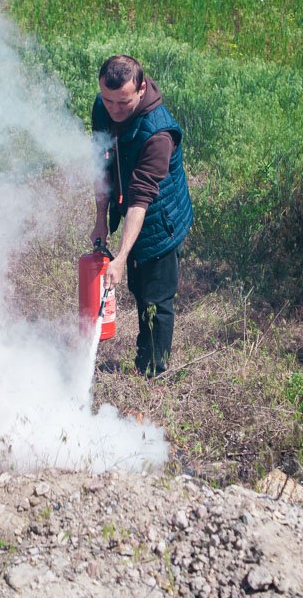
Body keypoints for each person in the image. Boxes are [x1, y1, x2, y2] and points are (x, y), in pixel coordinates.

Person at [90, 55, 193, 377]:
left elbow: (141, 199)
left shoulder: (159, 134)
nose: (114, 110)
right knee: (137, 286)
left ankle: (153, 368)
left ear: (142, 88)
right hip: (130, 203)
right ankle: (146, 354)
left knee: (154, 297)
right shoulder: (103, 105)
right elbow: (100, 163)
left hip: (160, 219)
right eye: (108, 100)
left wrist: (120, 256)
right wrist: (100, 220)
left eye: (123, 103)